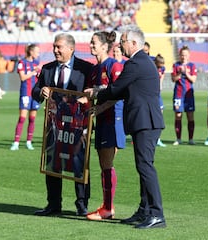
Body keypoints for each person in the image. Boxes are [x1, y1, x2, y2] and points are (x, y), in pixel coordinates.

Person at [86, 25, 166, 229]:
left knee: (145, 166)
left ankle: (156, 214)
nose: (120, 45)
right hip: (145, 121)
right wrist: (102, 92)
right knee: (143, 166)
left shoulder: (136, 63)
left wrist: (96, 93)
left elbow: (116, 88)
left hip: (145, 121)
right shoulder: (140, 62)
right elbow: (122, 91)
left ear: (134, 43)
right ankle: (144, 210)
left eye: (123, 41)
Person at [32, 33, 93, 216]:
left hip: (78, 125)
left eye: (59, 47)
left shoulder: (86, 69)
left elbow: (93, 94)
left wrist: (86, 99)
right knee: (52, 162)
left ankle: (82, 206)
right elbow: (36, 90)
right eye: (54, 46)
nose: (55, 50)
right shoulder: (48, 68)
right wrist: (41, 90)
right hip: (54, 125)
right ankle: (53, 204)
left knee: (79, 164)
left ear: (71, 48)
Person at [83, 31, 126, 221]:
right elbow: (91, 95)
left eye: (93, 42)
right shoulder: (94, 70)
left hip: (113, 119)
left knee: (107, 163)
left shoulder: (114, 65)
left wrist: (100, 108)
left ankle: (108, 208)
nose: (90, 45)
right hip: (100, 120)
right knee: (103, 163)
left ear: (103, 46)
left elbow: (118, 93)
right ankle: (106, 206)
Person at [10, 44, 41, 151]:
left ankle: (28, 142)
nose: (38, 54)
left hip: (35, 94)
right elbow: (23, 77)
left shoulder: (36, 63)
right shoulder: (22, 63)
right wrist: (33, 72)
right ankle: (16, 142)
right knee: (22, 118)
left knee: (32, 119)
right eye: (37, 51)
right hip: (25, 94)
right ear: (31, 52)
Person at [171, 45, 197, 145]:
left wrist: (186, 73)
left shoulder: (192, 66)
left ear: (189, 55)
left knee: (190, 116)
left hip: (188, 95)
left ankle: (190, 139)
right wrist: (180, 73)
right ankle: (178, 139)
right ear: (180, 55)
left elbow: (193, 79)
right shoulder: (176, 65)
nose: (183, 57)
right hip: (178, 94)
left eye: (185, 55)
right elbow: (173, 79)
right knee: (178, 115)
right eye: (182, 55)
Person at [154, 54, 167, 147]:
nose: (162, 65)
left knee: (160, 115)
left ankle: (158, 138)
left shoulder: (162, 69)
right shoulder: (151, 67)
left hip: (157, 94)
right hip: (151, 94)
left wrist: (160, 85)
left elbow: (161, 79)